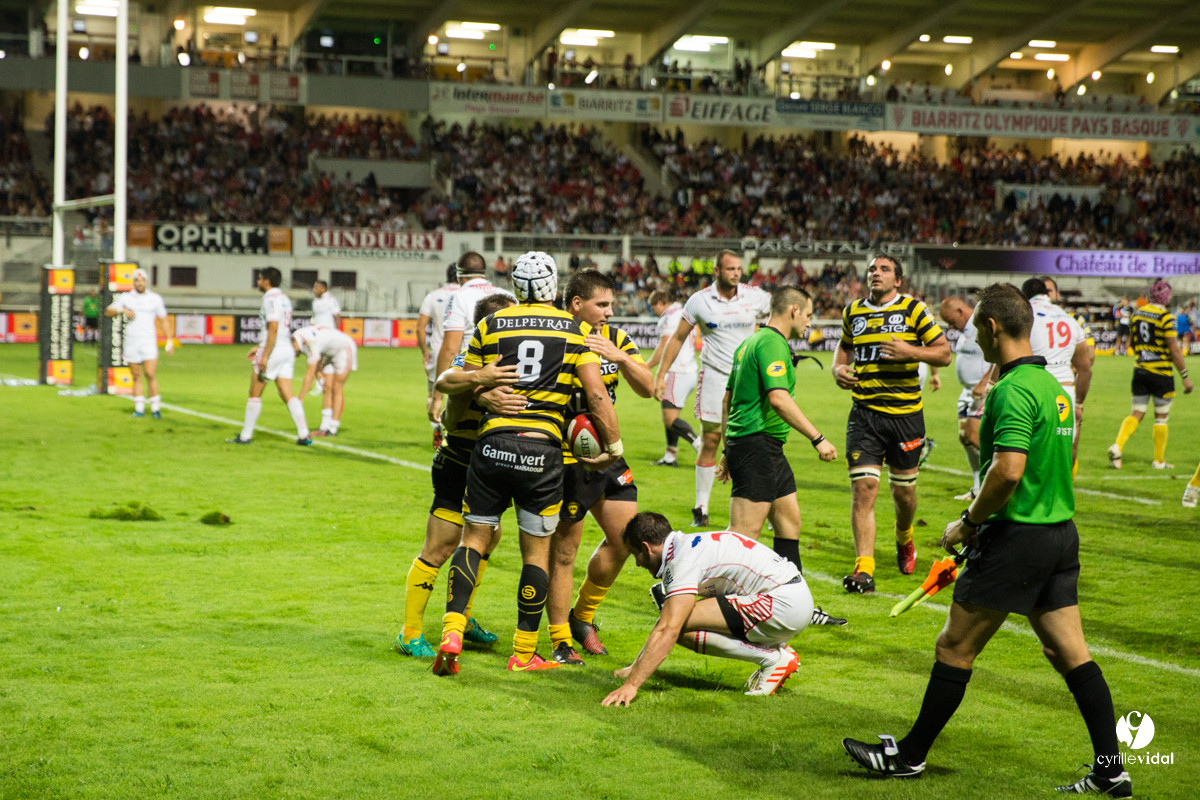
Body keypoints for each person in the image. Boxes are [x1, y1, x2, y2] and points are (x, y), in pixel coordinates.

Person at [842, 282, 1130, 798]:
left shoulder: (1012, 391)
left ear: (992, 328)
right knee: (1070, 653)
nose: (974, 335)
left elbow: (1007, 473)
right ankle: (1112, 770)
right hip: (1060, 535)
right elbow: (1053, 466)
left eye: (976, 327)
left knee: (953, 647)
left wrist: (969, 524)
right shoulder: (1052, 389)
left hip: (1017, 537)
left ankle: (907, 758)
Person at [431, 252, 621, 676]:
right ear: (554, 288)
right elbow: (595, 395)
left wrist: (481, 383)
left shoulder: (490, 325)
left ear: (514, 287)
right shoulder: (577, 331)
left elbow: (446, 380)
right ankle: (523, 653)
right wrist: (614, 446)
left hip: (491, 446)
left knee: (474, 541)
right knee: (536, 553)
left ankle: (452, 631)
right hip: (542, 452)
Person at [395, 292, 522, 657]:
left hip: (494, 463)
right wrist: (479, 390)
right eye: (508, 319)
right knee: (441, 546)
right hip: (461, 461)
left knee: (487, 540)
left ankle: (462, 620)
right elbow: (446, 386)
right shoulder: (471, 357)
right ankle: (410, 632)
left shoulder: (516, 357)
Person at [714, 286, 843, 626]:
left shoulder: (749, 343)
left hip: (761, 445)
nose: (810, 322)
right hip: (757, 443)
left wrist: (727, 449)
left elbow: (727, 399)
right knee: (742, 536)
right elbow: (778, 399)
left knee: (789, 522)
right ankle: (689, 593)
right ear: (794, 311)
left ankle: (799, 605)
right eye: (809, 314)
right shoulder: (771, 343)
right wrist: (818, 438)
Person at [547, 270, 655, 663]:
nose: (610, 312)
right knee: (564, 553)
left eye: (611, 304)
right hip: (566, 459)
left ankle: (582, 616)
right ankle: (560, 640)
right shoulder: (556, 339)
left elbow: (649, 388)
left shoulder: (615, 339)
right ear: (577, 304)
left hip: (609, 454)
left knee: (626, 539)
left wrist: (622, 358)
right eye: (602, 305)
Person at [600, 511, 815, 706]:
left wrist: (631, 685)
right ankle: (775, 649)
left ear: (647, 548)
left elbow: (669, 629)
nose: (637, 564)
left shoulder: (682, 561)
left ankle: (772, 659)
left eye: (634, 555)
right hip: (792, 597)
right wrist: (636, 667)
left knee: (679, 625)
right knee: (674, 615)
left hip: (783, 604)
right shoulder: (689, 543)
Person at [832, 254, 951, 593]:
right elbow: (842, 353)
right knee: (864, 489)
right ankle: (864, 569)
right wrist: (837, 371)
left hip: (905, 418)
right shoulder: (852, 312)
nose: (876, 274)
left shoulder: (913, 310)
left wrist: (910, 352)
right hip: (864, 416)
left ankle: (904, 535)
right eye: (872, 269)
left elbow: (943, 353)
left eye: (884, 269)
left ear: (897, 280)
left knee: (904, 493)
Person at [653, 250, 770, 527]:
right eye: (730, 269)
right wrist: (660, 375)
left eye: (739, 269)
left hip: (748, 379)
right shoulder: (699, 301)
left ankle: (760, 506)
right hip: (715, 377)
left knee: (755, 443)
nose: (736, 273)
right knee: (711, 440)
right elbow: (679, 337)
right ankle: (701, 507)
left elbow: (777, 321)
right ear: (717, 271)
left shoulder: (756, 297)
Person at [1107, 279, 1193, 470]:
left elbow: (1134, 343)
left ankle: (1117, 445)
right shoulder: (1165, 317)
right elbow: (1173, 347)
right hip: (1161, 373)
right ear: (1164, 296)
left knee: (1137, 413)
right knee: (1161, 417)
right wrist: (1185, 375)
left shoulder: (1137, 315)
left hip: (1140, 370)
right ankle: (1159, 460)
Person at [227, 267, 311, 446]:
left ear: (266, 281)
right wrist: (258, 346)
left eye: (259, 279)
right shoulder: (284, 298)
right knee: (287, 393)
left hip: (274, 350)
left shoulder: (270, 299)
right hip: (286, 348)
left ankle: (245, 436)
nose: (257, 282)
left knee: (254, 393)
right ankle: (304, 434)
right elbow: (281, 328)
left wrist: (263, 354)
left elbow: (273, 327)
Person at [431, 251, 508, 430]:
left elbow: (451, 348)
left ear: (459, 276)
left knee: (459, 435)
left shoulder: (458, 297)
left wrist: (437, 398)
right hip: (505, 378)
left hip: (469, 380)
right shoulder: (505, 294)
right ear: (484, 272)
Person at [1023, 277, 1092, 472]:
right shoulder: (1069, 319)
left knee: (1029, 447)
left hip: (1035, 387)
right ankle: (1062, 493)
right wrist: (1079, 404)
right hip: (1065, 390)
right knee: (1064, 446)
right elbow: (1085, 368)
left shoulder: (1026, 316)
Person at [104, 268, 174, 418]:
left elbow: (163, 320)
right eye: (137, 280)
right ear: (134, 282)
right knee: (136, 375)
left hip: (148, 341)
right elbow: (108, 312)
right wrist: (122, 310)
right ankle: (139, 409)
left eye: (142, 280)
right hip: (132, 341)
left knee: (150, 373)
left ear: (146, 282)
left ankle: (155, 408)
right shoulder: (126, 298)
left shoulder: (155, 298)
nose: (140, 283)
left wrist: (169, 340)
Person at [939, 296, 989, 499]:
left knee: (973, 436)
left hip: (983, 392)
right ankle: (978, 488)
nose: (951, 326)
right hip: (968, 392)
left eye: (952, 321)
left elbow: (1001, 355)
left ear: (961, 311)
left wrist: (985, 382)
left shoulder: (981, 324)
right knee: (965, 438)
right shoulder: (964, 331)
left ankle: (998, 480)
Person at [645, 288, 699, 466]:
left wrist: (644, 367)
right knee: (670, 414)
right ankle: (670, 456)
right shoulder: (682, 310)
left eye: (654, 308)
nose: (654, 312)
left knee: (669, 419)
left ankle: (700, 445)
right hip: (689, 369)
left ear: (660, 303)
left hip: (678, 371)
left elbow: (663, 349)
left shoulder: (668, 317)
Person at [418, 265, 460, 447]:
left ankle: (437, 430)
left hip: (437, 350)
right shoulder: (466, 294)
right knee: (460, 392)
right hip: (463, 349)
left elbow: (420, 327)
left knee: (434, 392)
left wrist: (424, 351)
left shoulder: (433, 296)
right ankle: (457, 433)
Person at [293, 325, 357, 437]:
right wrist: (319, 369)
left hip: (343, 348)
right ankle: (324, 427)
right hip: (328, 352)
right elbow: (321, 346)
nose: (295, 356)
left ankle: (333, 428)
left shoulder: (310, 342)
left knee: (337, 387)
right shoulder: (298, 337)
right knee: (327, 387)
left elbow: (309, 375)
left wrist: (300, 399)